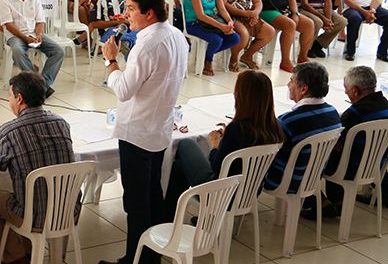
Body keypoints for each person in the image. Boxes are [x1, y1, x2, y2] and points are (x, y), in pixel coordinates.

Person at [98, 0, 188, 264]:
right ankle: (152, 256)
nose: (126, 15)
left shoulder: (145, 45)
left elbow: (123, 90)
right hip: (160, 125)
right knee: (153, 194)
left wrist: (112, 60)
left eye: (131, 9)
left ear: (149, 13)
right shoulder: (175, 35)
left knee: (136, 201)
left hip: (137, 130)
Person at [0, 71, 75, 264]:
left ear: (19, 98)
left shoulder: (9, 131)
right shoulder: (61, 123)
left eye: (10, 96)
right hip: (68, 210)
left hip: (34, 216)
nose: (9, 100)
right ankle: (25, 248)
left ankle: (14, 255)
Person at [165, 70, 285, 217]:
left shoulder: (237, 129)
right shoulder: (274, 127)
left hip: (220, 193)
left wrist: (215, 144)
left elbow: (216, 167)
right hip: (249, 192)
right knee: (179, 167)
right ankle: (171, 215)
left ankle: (167, 216)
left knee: (186, 144)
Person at [316, 66, 388, 219]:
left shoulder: (355, 113)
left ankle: (334, 201)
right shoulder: (386, 106)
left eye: (346, 89)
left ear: (355, 90)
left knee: (323, 154)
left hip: (352, 169)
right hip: (378, 167)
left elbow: (334, 137)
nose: (346, 93)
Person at [263, 62, 342, 194]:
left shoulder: (288, 121)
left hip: (286, 181)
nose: (288, 85)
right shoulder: (333, 113)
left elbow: (267, 152)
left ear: (303, 89)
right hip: (314, 177)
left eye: (291, 81)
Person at [0, 0, 65, 98]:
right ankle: (40, 86)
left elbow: (40, 22)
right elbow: (9, 25)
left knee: (59, 51)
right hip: (15, 36)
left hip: (33, 34)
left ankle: (42, 85)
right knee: (17, 50)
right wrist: (25, 38)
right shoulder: (5, 0)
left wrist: (38, 35)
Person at [251, 0, 315, 71]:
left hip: (285, 11)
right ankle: (285, 61)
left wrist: (295, 13)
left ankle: (302, 56)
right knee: (289, 24)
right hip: (266, 11)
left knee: (309, 24)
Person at [216, 0, 274, 71]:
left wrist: (255, 13)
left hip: (249, 14)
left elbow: (257, 1)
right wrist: (245, 14)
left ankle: (247, 56)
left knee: (269, 32)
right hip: (231, 16)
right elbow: (223, 4)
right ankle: (234, 58)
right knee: (244, 35)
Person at [184, 0, 242, 76]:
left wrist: (229, 22)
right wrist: (221, 27)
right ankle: (208, 60)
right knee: (217, 40)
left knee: (235, 38)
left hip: (210, 21)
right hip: (194, 23)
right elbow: (200, 15)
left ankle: (206, 55)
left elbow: (222, 10)